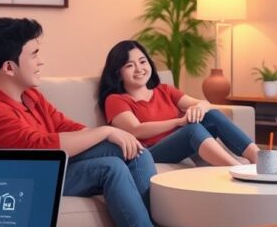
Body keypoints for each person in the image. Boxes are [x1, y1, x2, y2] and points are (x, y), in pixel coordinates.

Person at [0, 18, 159, 227]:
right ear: (9, 67)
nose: (41, 62)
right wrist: (106, 131)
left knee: (133, 149)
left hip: (51, 166)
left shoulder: (29, 94)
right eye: (34, 54)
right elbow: (40, 147)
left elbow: (64, 125)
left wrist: (114, 135)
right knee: (111, 165)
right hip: (29, 178)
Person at [98, 40, 258, 166]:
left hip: (181, 144)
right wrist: (179, 122)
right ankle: (235, 168)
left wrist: (199, 107)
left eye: (142, 61)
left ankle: (260, 159)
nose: (139, 68)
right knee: (192, 129)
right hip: (150, 153)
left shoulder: (164, 90)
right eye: (129, 65)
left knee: (212, 115)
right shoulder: (115, 99)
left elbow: (204, 103)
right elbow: (135, 130)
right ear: (118, 73)